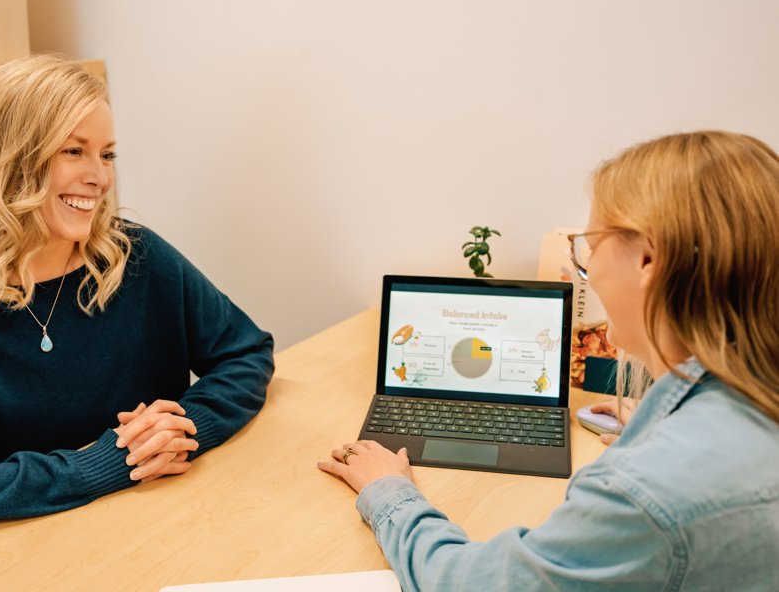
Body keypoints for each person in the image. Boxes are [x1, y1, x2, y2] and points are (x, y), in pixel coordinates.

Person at [319, 131, 779, 590]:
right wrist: (664, 422)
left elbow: (468, 584)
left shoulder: (644, 489)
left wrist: (387, 491)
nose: (589, 268)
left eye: (591, 246)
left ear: (647, 261)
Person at [0, 55, 274, 539]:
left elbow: (246, 352)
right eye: (74, 151)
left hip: (154, 533)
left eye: (107, 154)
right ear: (12, 158)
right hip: (8, 560)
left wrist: (181, 431)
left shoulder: (135, 256)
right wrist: (96, 467)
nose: (101, 178)